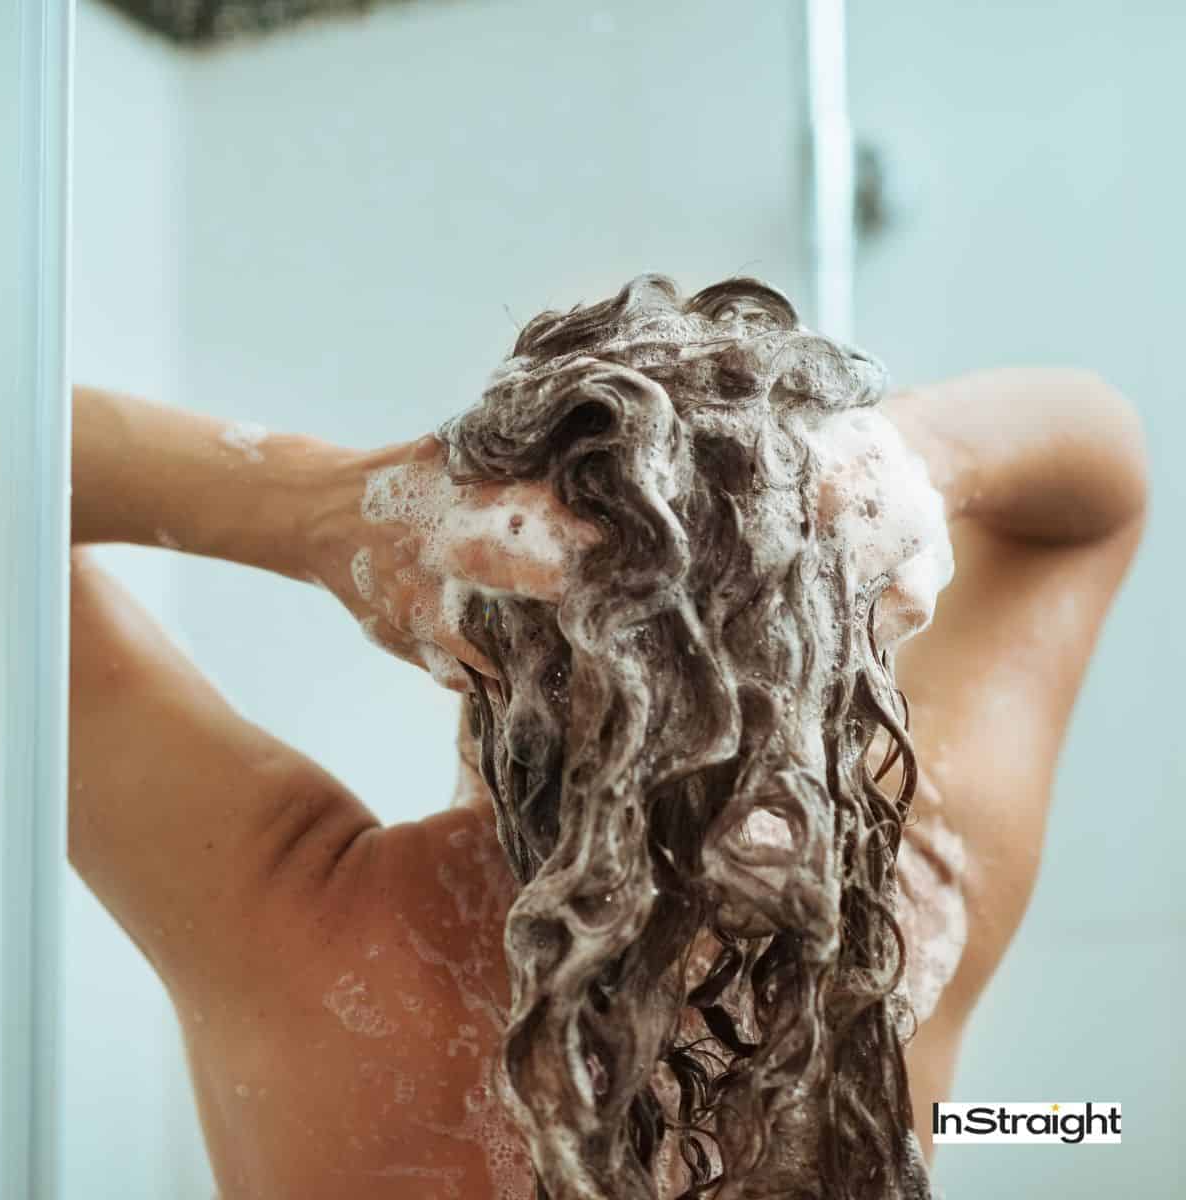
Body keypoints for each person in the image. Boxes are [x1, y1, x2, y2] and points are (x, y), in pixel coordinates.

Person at [69, 276, 1147, 1199]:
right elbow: (1104, 478)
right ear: (826, 657)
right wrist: (917, 453)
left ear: (467, 634)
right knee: (1036, 1124)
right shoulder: (908, 913)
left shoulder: (301, 929)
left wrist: (334, 509)